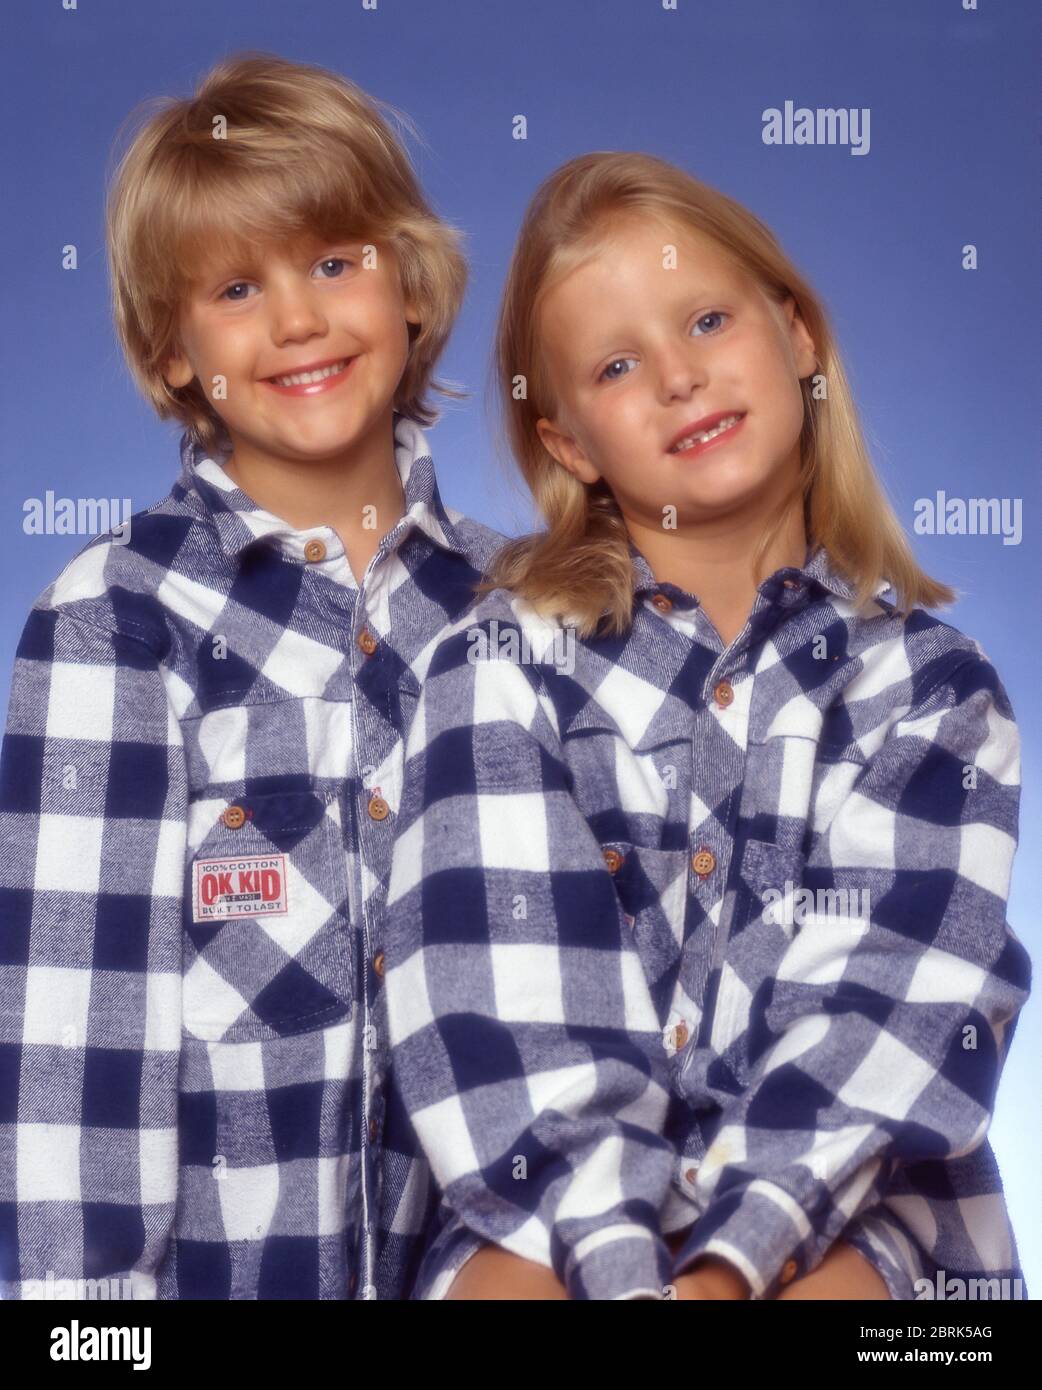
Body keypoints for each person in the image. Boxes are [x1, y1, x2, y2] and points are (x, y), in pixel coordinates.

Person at [382, 152, 1031, 1300]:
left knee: (839, 1289)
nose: (679, 377)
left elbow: (887, 1010)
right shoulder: (496, 663)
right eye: (619, 363)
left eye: (708, 320)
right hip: (553, 1218)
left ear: (798, 337)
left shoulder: (932, 689)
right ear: (572, 444)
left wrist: (726, 1272)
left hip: (852, 1209)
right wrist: (632, 1275)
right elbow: (510, 1016)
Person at [0, 52, 504, 1300]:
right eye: (236, 288)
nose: (297, 320)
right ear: (173, 352)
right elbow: (78, 1055)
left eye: (335, 261)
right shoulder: (115, 623)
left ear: (409, 283)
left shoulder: (527, 611)